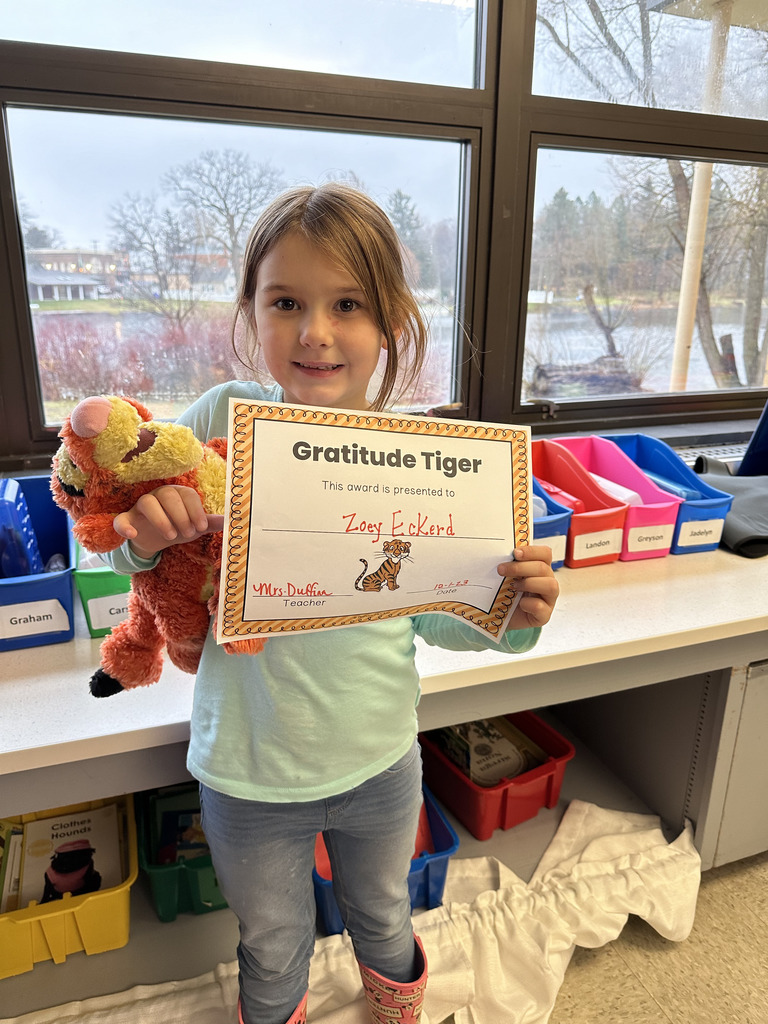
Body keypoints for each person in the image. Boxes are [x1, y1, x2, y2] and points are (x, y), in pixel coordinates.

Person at [106, 183, 559, 1024]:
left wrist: (511, 616)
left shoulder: (418, 458)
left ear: (390, 320)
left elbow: (429, 616)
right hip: (247, 774)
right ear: (252, 310)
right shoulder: (219, 420)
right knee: (272, 941)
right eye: (287, 302)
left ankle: (396, 1009)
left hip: (381, 761)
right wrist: (148, 532)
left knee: (384, 916)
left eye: (347, 304)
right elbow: (121, 552)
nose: (315, 332)